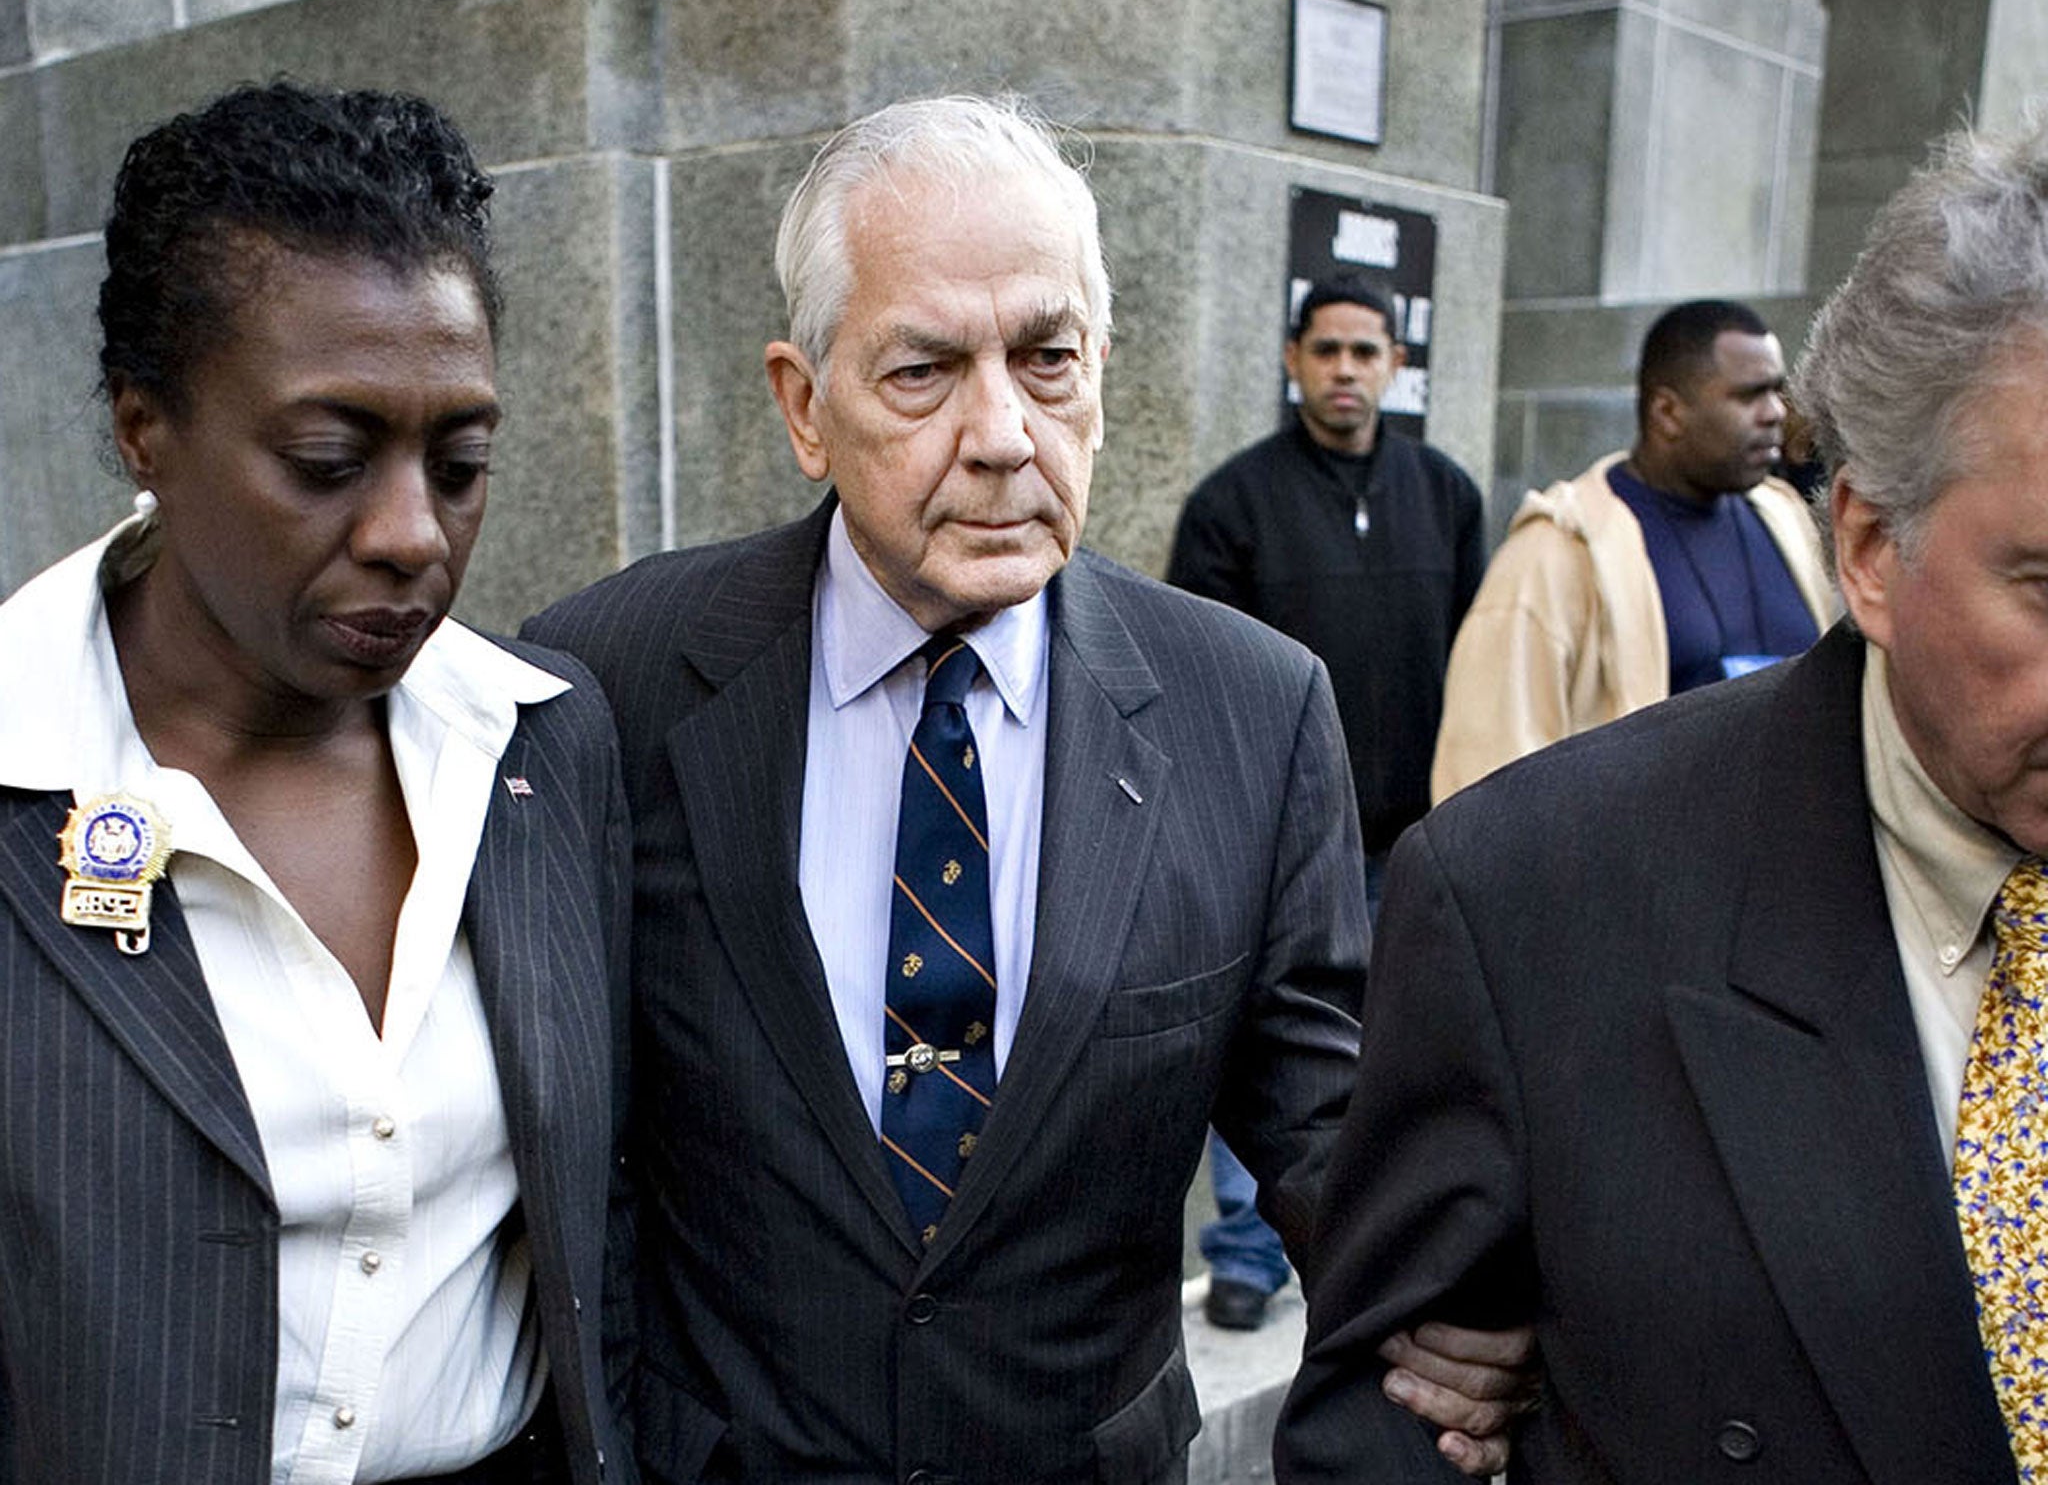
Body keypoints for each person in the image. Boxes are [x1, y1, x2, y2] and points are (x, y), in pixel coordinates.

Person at [527, 94, 1528, 1485]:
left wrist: (1466, 1302)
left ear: (1101, 371)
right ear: (803, 407)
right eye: (925, 372)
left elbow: (1321, 1117)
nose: (1003, 434)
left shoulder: (1252, 707)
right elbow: (565, 1146)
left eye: (1046, 359)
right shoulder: (611, 679)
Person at [1277, 120, 2048, 1482]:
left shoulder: (1765, 531)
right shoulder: (1532, 898)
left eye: (1775, 399)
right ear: (1872, 548)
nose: (1764, 419)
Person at [0, 82, 632, 1483]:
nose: (412, 534)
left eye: (461, 465)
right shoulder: (17, 760)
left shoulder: (538, 744)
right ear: (143, 430)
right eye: (327, 461)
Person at [1167, 274, 1483, 1332]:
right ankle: (1249, 1251)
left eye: (1366, 351)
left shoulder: (1443, 492)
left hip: (1408, 838)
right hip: (1280, 843)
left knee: (1395, 1052)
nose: (1346, 371)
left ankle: (1381, 1240)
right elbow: (1198, 682)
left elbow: (1471, 663)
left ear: (1396, 365)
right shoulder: (1232, 502)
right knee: (1265, 1048)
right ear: (1294, 359)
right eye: (1327, 350)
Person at [1430, 298, 1834, 801]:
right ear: (1667, 411)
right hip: (1642, 868)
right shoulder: (1560, 546)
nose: (1775, 412)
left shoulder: (1790, 519)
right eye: (1749, 395)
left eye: (1777, 390)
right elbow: (1487, 772)